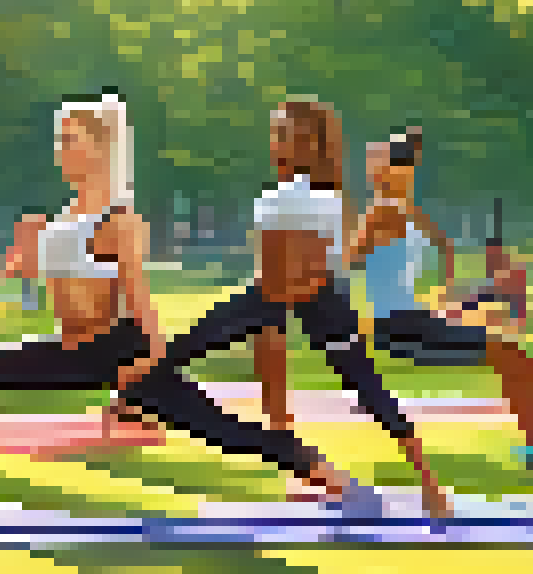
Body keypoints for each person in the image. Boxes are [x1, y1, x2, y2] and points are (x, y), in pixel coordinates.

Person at [116, 94, 452, 518]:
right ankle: (137, 401)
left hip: (305, 296)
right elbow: (289, 267)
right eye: (276, 132)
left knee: (368, 389)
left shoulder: (307, 198)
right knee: (182, 349)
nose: (277, 141)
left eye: (287, 134)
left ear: (311, 144)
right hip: (289, 294)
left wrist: (281, 296)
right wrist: (272, 306)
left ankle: (424, 485)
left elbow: (305, 268)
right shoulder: (299, 197)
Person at [0, 91, 166, 523]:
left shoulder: (116, 215)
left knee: (216, 425)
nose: (62, 152)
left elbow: (139, 296)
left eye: (71, 140)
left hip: (115, 350)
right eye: (60, 141)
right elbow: (20, 273)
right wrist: (26, 244)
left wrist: (155, 360)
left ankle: (312, 469)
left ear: (100, 149)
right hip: (70, 348)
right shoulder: (67, 214)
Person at [332, 128, 533, 452]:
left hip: (417, 318)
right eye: (388, 164)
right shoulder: (380, 212)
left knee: (514, 357)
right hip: (398, 328)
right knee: (513, 357)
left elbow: (444, 246)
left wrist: (445, 296)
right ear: (379, 172)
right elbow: (346, 262)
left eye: (405, 164)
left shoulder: (406, 211)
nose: (403, 172)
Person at [445, 238, 531, 337]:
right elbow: (485, 293)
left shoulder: (510, 272)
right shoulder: (501, 272)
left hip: (507, 324)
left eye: (491, 255)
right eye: (488, 256)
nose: (489, 261)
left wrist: (464, 306)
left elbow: (493, 295)